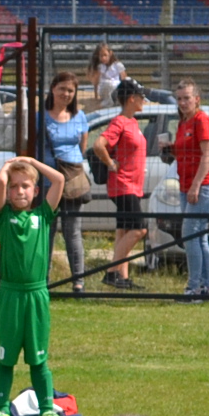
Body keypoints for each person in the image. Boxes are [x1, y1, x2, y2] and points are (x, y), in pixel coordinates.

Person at [0, 157, 70, 416]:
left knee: (39, 357)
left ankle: (47, 411)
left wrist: (32, 161)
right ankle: (2, 411)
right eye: (15, 186)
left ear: (35, 191)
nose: (19, 191)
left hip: (37, 295)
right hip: (10, 296)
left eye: (26, 186)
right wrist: (9, 166)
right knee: (5, 358)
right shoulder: (3, 217)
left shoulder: (42, 216)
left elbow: (59, 179)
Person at [91, 78, 149, 289]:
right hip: (123, 185)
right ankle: (112, 271)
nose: (144, 100)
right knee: (139, 229)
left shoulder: (133, 122)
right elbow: (99, 144)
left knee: (124, 231)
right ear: (131, 98)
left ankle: (122, 278)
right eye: (141, 97)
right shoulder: (120, 122)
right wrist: (110, 163)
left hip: (133, 185)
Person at [39, 71, 90, 294]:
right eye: (62, 89)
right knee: (47, 230)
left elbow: (82, 147)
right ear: (53, 89)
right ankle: (44, 278)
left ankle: (78, 281)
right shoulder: (40, 116)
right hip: (47, 181)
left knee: (73, 231)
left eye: (71, 90)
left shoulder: (80, 117)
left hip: (72, 181)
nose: (66, 94)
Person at [169, 78, 209, 303]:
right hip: (185, 184)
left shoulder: (201, 120)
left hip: (202, 185)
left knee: (191, 234)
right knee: (200, 238)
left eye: (187, 98)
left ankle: (194, 288)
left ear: (197, 99)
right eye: (179, 98)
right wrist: (170, 148)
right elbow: (185, 151)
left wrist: (196, 185)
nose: (183, 102)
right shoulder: (183, 122)